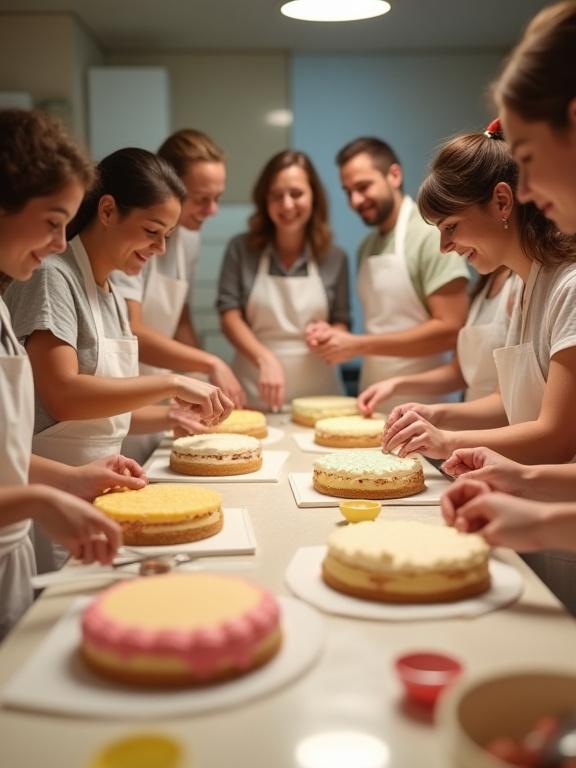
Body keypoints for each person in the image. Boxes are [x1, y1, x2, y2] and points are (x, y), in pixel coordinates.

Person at [4, 147, 233, 570]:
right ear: (108, 210)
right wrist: (173, 383)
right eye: (152, 231)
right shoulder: (53, 277)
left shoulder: (106, 288)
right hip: (51, 504)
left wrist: (170, 416)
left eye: (167, 234)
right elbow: (64, 398)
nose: (160, 248)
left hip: (93, 490)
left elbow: (107, 415)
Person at [0, 109, 144, 636]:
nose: (61, 242)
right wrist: (43, 498)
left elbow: (6, 454)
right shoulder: (47, 282)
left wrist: (71, 481)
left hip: (12, 555)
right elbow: (62, 396)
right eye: (51, 220)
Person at [383, 124, 576, 468]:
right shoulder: (526, 286)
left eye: (451, 227)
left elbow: (557, 437)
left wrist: (447, 441)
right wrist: (436, 413)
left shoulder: (568, 286)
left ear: (502, 202)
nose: (444, 248)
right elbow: (511, 403)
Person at [305, 137, 470, 409]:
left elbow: (451, 330)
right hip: (373, 395)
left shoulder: (430, 235)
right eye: (348, 192)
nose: (355, 200)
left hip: (426, 405)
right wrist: (334, 336)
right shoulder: (366, 247)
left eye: (363, 187)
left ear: (394, 175)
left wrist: (358, 345)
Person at [110, 130, 243, 462]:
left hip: (161, 389)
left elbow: (180, 315)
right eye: (201, 199)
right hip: (124, 390)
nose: (212, 210)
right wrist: (208, 362)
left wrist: (199, 383)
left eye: (218, 197)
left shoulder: (188, 239)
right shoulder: (133, 240)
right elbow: (132, 327)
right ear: (169, 185)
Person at [217, 150, 350, 411]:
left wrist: (331, 335)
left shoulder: (335, 257)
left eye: (297, 194)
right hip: (254, 392)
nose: (287, 205)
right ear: (264, 200)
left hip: (320, 398)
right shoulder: (241, 249)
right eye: (277, 195)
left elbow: (342, 320)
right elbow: (229, 315)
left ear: (314, 198)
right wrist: (264, 357)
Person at [358, 267, 517, 414]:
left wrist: (435, 415)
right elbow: (461, 373)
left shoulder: (518, 286)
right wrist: (396, 385)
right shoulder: (486, 284)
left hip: (500, 434)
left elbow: (505, 404)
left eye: (451, 234)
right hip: (474, 432)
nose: (446, 247)